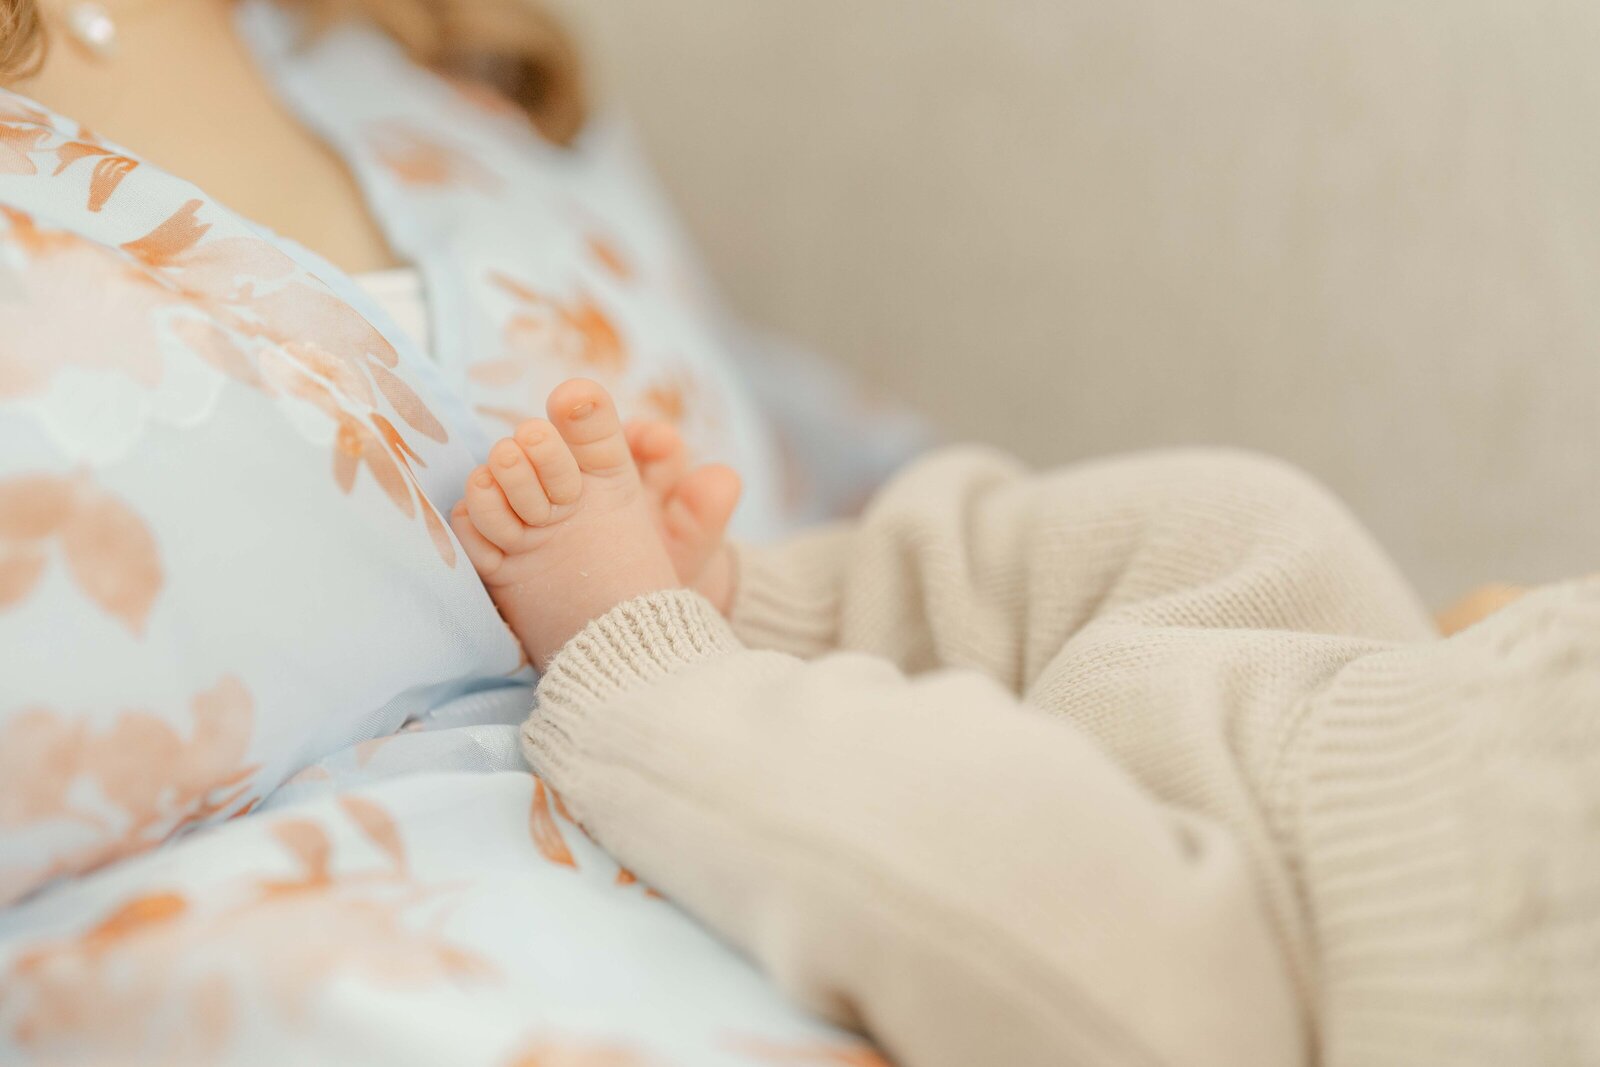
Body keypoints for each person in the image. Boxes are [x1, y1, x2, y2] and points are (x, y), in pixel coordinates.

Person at [456, 376, 1600, 1067]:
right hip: (1446, 740)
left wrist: (634, 653)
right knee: (1250, 528)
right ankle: (774, 608)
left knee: (1022, 895)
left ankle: (653, 651)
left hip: (1369, 996)